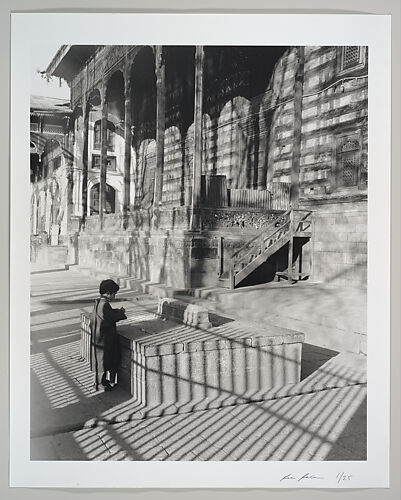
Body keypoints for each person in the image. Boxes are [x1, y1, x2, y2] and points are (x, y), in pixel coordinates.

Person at [90, 279, 127, 391]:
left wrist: (116, 312)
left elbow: (106, 315)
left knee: (101, 361)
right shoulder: (104, 305)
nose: (115, 296)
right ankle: (99, 384)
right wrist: (121, 313)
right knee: (103, 361)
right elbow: (111, 317)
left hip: (98, 337)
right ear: (109, 293)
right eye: (114, 294)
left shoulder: (99, 303)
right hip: (103, 339)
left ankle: (101, 381)